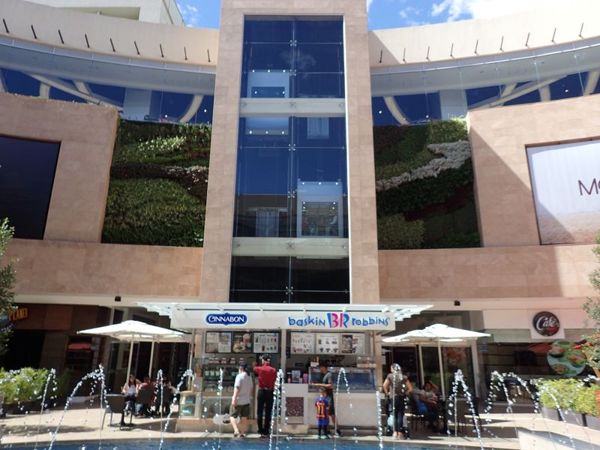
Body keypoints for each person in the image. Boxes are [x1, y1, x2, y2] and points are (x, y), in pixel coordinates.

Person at [382, 363, 412, 440]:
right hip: (401, 398)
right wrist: (405, 393)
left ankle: (395, 433)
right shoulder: (404, 377)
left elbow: (384, 386)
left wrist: (388, 393)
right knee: (400, 415)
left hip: (393, 398)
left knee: (394, 414)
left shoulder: (390, 376)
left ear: (392, 369)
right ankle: (400, 433)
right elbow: (410, 388)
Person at [311, 363, 341, 436]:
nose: (320, 369)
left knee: (331, 414)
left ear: (325, 367)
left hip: (329, 397)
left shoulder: (329, 374)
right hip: (324, 397)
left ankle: (337, 430)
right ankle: (326, 430)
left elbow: (331, 385)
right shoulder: (322, 375)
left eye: (321, 367)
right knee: (325, 414)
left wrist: (318, 385)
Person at [253, 354, 277, 438]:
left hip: (261, 391)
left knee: (260, 411)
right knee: (268, 411)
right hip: (270, 391)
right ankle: (266, 430)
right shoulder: (273, 370)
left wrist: (254, 364)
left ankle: (260, 429)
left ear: (263, 360)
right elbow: (274, 379)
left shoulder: (259, 368)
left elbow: (254, 369)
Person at [231, 361, 253, 438]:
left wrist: (234, 398)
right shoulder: (249, 376)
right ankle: (243, 433)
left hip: (239, 400)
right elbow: (251, 388)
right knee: (244, 417)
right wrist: (249, 397)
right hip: (246, 400)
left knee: (232, 416)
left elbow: (237, 388)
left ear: (241, 368)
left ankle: (236, 430)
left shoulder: (239, 376)